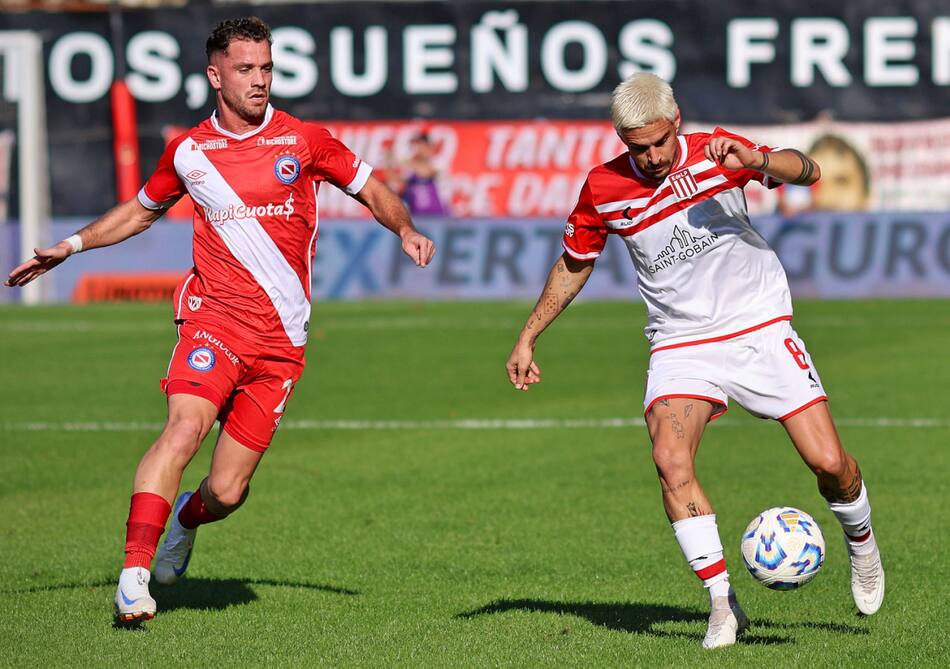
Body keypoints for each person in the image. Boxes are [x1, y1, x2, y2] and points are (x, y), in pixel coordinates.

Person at [6, 17, 435, 624]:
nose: (259, 81)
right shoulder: (188, 151)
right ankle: (133, 575)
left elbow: (371, 188)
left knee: (227, 491)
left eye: (266, 68)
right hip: (214, 322)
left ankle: (186, 519)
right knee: (184, 429)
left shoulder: (306, 140)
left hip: (282, 341)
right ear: (216, 75)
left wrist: (406, 228)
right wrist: (70, 247)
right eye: (245, 69)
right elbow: (139, 211)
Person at [505, 73, 884, 649]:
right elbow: (576, 260)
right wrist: (529, 334)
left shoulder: (718, 152)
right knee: (669, 457)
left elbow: (809, 171)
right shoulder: (603, 187)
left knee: (830, 463)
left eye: (659, 142)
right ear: (620, 139)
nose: (652, 156)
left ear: (676, 121)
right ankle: (721, 604)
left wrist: (758, 158)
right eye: (638, 148)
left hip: (758, 324)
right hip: (682, 341)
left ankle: (862, 546)